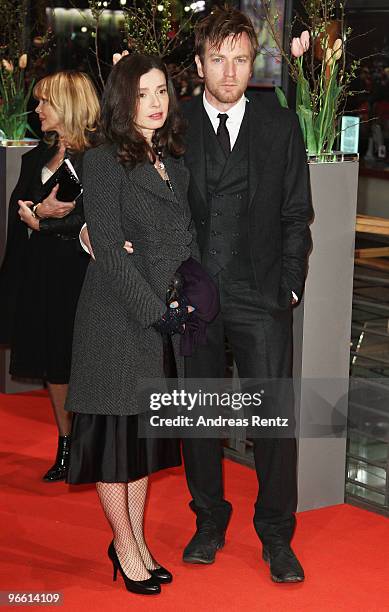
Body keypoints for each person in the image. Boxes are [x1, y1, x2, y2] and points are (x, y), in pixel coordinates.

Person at [179, 7, 312, 583]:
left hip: (261, 297)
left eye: (240, 59)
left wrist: (287, 287)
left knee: (273, 424)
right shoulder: (174, 125)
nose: (230, 73)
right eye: (218, 59)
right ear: (200, 63)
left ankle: (277, 535)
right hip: (193, 297)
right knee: (199, 417)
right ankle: (209, 520)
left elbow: (296, 213)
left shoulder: (279, 124)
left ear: (252, 62)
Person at [64, 54, 198, 596]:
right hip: (116, 322)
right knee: (115, 446)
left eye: (162, 90)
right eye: (143, 94)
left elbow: (178, 240)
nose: (156, 102)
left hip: (156, 321)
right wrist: (157, 312)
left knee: (139, 447)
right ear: (124, 100)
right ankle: (123, 544)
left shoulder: (173, 163)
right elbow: (112, 257)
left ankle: (138, 541)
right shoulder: (101, 162)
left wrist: (182, 298)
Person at [0, 71, 100, 481]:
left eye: (45, 102)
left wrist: (48, 217)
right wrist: (35, 216)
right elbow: (22, 212)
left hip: (83, 278)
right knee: (54, 366)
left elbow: (103, 219)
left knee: (84, 364)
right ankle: (66, 444)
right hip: (41, 274)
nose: (37, 109)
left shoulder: (100, 158)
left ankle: (92, 447)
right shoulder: (35, 158)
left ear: (69, 105)